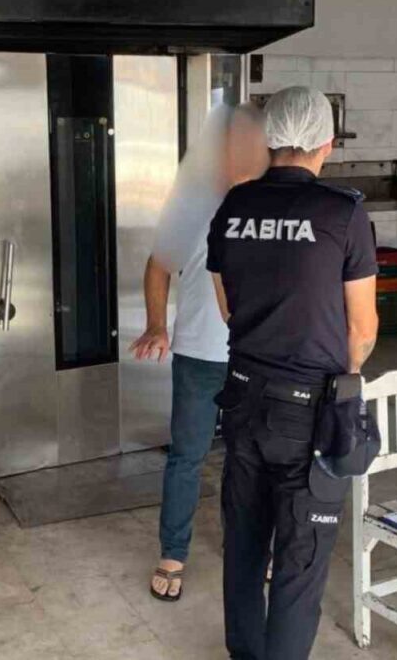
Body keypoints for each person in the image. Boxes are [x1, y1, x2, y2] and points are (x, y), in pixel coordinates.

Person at [206, 86, 379, 659]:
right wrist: (335, 378)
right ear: (327, 143)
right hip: (308, 412)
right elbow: (362, 331)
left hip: (242, 398)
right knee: (299, 561)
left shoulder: (233, 206)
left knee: (244, 545)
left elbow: (228, 307)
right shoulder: (343, 213)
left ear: (270, 139)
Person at [130, 104, 268, 602]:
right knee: (187, 457)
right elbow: (158, 266)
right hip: (198, 354)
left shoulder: (272, 202)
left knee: (248, 459)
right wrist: (156, 325)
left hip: (256, 355)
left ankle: (246, 548)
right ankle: (173, 552)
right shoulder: (192, 205)